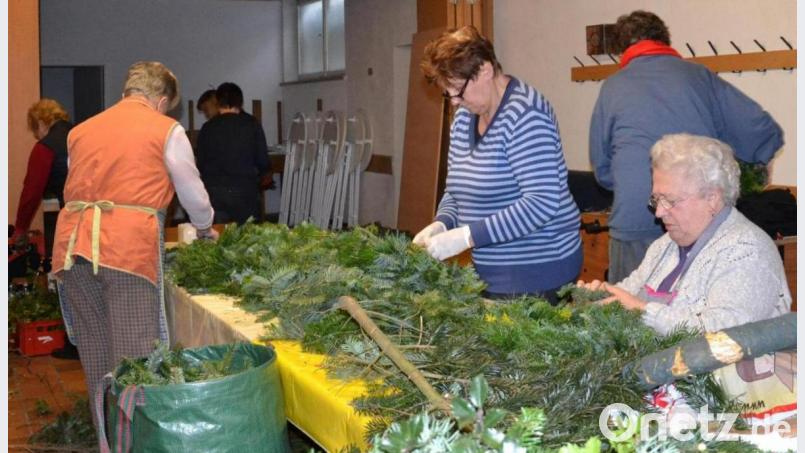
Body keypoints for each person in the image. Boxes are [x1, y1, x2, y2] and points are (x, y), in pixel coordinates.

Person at [51, 61, 217, 428]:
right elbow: (191, 190)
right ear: (161, 101)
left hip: (72, 247)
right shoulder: (164, 128)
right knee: (134, 357)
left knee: (96, 354)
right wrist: (205, 228)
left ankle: (107, 438)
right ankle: (137, 439)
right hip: (124, 250)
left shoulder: (81, 130)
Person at [589, 10, 783, 283]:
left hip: (636, 220)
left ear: (623, 49)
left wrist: (640, 187)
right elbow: (762, 132)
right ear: (665, 40)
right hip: (696, 217)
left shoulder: (613, 87)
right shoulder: (699, 77)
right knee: (697, 317)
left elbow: (603, 170)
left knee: (625, 315)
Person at [414, 26, 582, 302]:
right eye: (449, 94)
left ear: (485, 70)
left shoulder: (526, 115)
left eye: (458, 91)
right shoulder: (464, 120)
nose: (455, 102)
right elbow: (456, 191)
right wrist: (442, 224)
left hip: (539, 272)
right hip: (492, 273)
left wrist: (467, 237)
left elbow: (541, 202)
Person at [579, 133, 790, 335]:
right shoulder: (666, 244)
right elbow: (632, 292)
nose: (659, 212)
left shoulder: (748, 252)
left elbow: (725, 334)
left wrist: (641, 311)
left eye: (670, 201)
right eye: (656, 199)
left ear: (712, 199)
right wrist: (602, 295)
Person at [196, 82, 270, 224]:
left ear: (218, 102)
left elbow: (201, 163)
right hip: (245, 191)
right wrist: (263, 174)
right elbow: (262, 159)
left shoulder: (207, 128)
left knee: (220, 239)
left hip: (215, 192)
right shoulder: (251, 124)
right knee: (248, 239)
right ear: (240, 102)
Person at [11, 99, 72, 251]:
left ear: (40, 123)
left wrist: (20, 228)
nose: (37, 137)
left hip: (70, 218)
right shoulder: (83, 134)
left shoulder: (44, 148)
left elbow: (31, 193)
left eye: (35, 131)